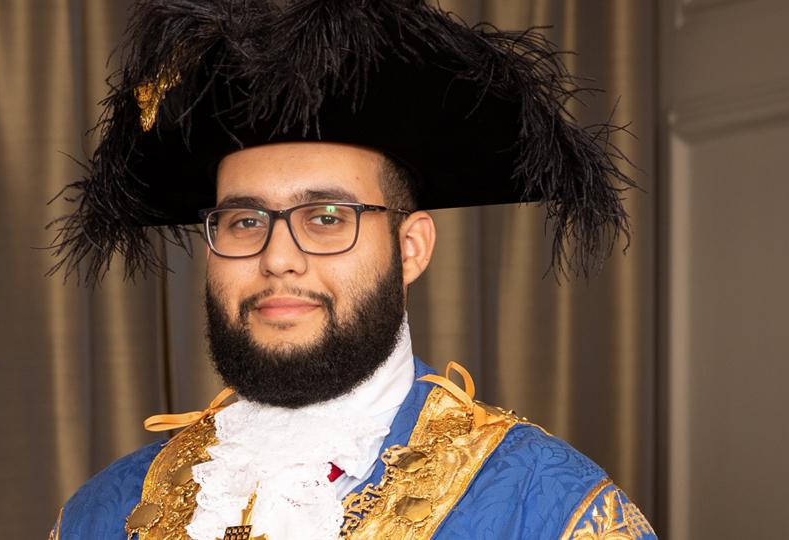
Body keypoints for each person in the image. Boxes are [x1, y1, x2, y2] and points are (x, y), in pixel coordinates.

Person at [47, 1, 655, 539]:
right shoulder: (101, 513)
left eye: (327, 218)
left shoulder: (550, 512)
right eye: (245, 222)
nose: (277, 257)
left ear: (411, 247)